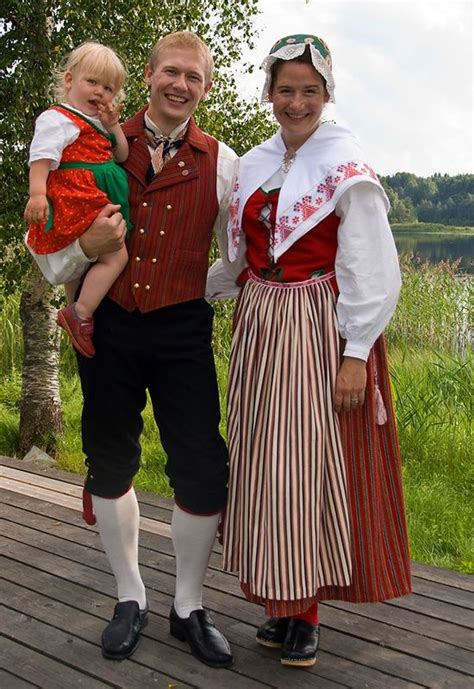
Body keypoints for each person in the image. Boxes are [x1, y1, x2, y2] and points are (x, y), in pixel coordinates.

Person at [27, 31, 236, 668]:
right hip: (110, 327)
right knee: (110, 460)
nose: (180, 85)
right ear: (148, 75)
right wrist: (81, 253)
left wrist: (184, 286)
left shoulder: (223, 162)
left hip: (181, 331)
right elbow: (42, 251)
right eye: (170, 72)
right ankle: (130, 595)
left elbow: (241, 256)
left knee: (200, 466)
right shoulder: (84, 138)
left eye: (193, 78)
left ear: (204, 87)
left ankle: (189, 606)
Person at [214, 34, 412, 668]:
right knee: (264, 463)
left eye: (308, 90)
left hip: (315, 326)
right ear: (268, 92)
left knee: (307, 467)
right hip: (261, 322)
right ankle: (280, 604)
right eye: (284, 89)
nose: (295, 102)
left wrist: (356, 350)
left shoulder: (344, 163)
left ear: (327, 94)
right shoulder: (252, 162)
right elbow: (237, 256)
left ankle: (308, 612)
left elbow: (371, 264)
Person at [24, 42, 132, 358]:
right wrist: (38, 194)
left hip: (91, 195)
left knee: (81, 263)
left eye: (109, 88)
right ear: (70, 80)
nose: (99, 92)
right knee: (116, 256)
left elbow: (122, 154)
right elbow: (41, 157)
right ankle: (80, 312)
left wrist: (113, 125)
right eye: (92, 82)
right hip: (79, 196)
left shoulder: (99, 123)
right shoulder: (58, 118)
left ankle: (74, 309)